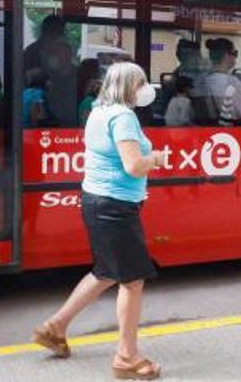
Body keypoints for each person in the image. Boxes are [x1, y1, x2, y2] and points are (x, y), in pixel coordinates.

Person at [32, 62, 168, 380]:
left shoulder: (98, 111)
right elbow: (134, 165)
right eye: (140, 83)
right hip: (115, 206)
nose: (145, 89)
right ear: (127, 86)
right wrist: (157, 159)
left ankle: (55, 327)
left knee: (105, 272)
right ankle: (126, 357)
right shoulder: (123, 116)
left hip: (96, 201)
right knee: (132, 281)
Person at [24, 15, 78, 127]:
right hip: (39, 112)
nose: (62, 35)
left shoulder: (69, 65)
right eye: (59, 32)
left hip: (63, 112)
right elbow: (23, 80)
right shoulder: (31, 53)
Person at [196, 37, 241, 123]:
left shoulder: (202, 79)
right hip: (233, 130)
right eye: (235, 53)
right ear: (226, 56)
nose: (236, 57)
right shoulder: (231, 82)